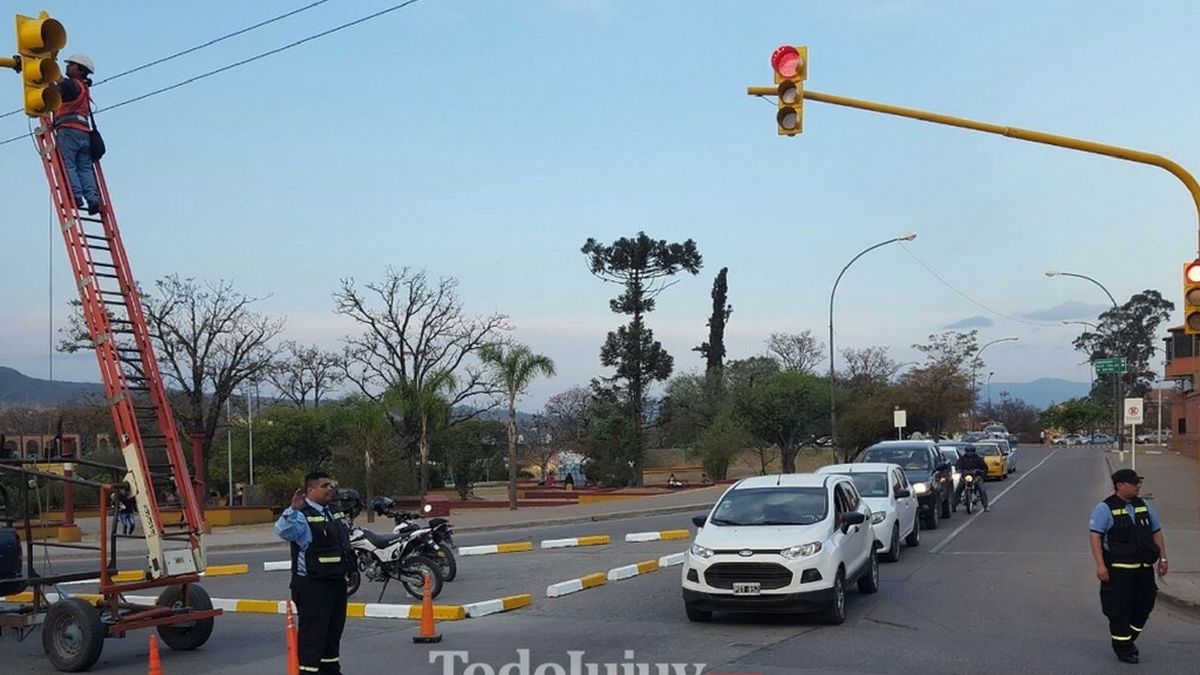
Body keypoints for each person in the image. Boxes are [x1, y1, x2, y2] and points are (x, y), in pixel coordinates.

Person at [275, 471, 352, 675]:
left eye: (331, 485)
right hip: (313, 586)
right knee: (313, 636)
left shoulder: (333, 512)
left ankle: (331, 671)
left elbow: (344, 544)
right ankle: (308, 672)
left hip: (336, 583)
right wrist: (292, 509)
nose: (330, 488)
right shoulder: (302, 515)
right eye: (325, 485)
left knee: (332, 633)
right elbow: (283, 530)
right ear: (310, 490)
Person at [1089, 469, 1168, 664]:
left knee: (1144, 605)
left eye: (1138, 482)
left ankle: (1128, 640)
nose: (1138, 486)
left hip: (1143, 569)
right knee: (1118, 610)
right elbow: (1095, 537)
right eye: (1134, 483)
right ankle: (1122, 648)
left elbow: (1156, 531)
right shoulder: (1104, 508)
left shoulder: (1144, 506)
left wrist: (1163, 559)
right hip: (1118, 571)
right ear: (1120, 485)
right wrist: (1100, 565)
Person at [52, 54, 102, 215]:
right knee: (85, 168)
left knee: (69, 164)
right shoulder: (83, 88)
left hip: (68, 130)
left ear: (81, 70)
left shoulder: (72, 85)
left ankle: (76, 196)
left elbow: (59, 88)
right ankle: (93, 199)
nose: (68, 67)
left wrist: (47, 73)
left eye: (71, 65)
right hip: (84, 133)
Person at [954, 445, 989, 512]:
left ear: (974, 452)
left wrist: (981, 474)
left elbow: (984, 468)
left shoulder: (978, 459)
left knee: (982, 489)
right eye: (968, 451)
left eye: (971, 451)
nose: (970, 453)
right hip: (965, 477)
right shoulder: (962, 459)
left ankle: (986, 506)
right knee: (958, 488)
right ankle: (954, 505)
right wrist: (959, 470)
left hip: (976, 477)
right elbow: (958, 466)